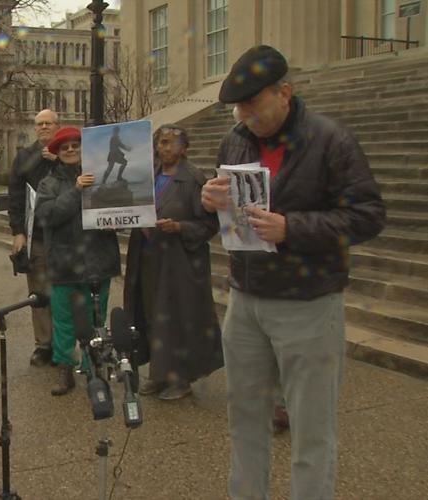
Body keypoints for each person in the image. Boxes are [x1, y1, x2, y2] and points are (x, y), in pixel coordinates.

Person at [201, 46, 385, 499]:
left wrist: (292, 228)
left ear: (284, 92)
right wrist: (209, 202)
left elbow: (367, 216)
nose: (244, 115)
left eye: (252, 103)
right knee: (245, 419)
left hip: (309, 301)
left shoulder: (331, 140)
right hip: (246, 298)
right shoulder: (236, 140)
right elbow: (223, 216)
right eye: (237, 107)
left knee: (311, 429)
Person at [122, 124, 223, 401]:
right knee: (151, 314)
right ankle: (159, 373)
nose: (163, 148)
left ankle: (180, 378)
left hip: (179, 262)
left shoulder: (193, 180)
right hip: (147, 258)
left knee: (177, 318)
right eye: (160, 142)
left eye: (169, 142)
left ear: (184, 148)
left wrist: (179, 227)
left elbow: (209, 225)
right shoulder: (149, 175)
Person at [36, 126, 120, 396]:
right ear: (57, 153)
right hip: (64, 264)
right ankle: (65, 370)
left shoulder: (104, 177)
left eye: (76, 145)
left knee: (96, 319)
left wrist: (116, 222)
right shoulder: (48, 183)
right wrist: (76, 190)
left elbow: (118, 209)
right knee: (64, 322)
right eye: (65, 147)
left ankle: (94, 369)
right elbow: (47, 216)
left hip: (99, 259)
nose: (71, 150)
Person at [8, 109, 58, 366]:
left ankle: (64, 343)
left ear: (57, 126)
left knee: (65, 292)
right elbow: (15, 195)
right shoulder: (25, 157)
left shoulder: (69, 152)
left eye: (48, 123)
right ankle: (44, 344)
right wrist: (17, 232)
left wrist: (58, 160)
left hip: (65, 237)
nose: (44, 127)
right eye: (40, 124)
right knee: (38, 292)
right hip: (36, 235)